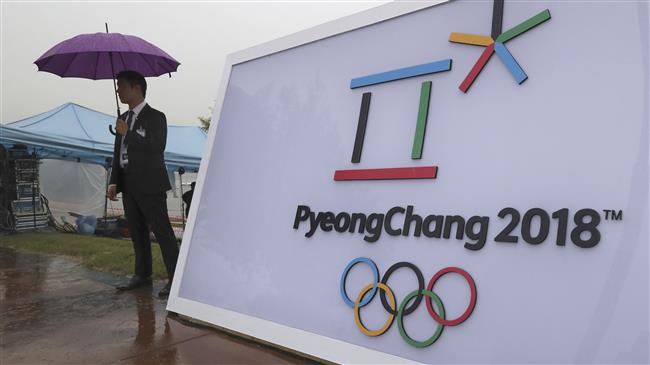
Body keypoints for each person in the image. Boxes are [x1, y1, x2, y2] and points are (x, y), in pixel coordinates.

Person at [107, 70, 179, 298]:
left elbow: (156, 146)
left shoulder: (156, 117)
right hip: (128, 183)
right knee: (137, 231)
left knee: (162, 231)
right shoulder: (124, 119)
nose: (119, 90)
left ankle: (175, 278)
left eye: (122, 86)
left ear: (137, 87)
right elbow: (118, 153)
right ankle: (142, 274)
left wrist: (128, 133)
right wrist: (114, 181)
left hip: (150, 183)